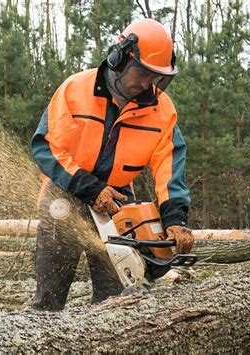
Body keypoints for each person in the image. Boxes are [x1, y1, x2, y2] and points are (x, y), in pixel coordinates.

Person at [31, 18, 194, 311]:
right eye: (143, 73)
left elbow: (169, 167)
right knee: (49, 300)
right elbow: (46, 146)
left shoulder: (161, 111)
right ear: (120, 57)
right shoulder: (75, 90)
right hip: (67, 192)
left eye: (155, 76)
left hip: (117, 201)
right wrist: (89, 188)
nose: (147, 83)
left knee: (118, 300)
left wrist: (176, 218)